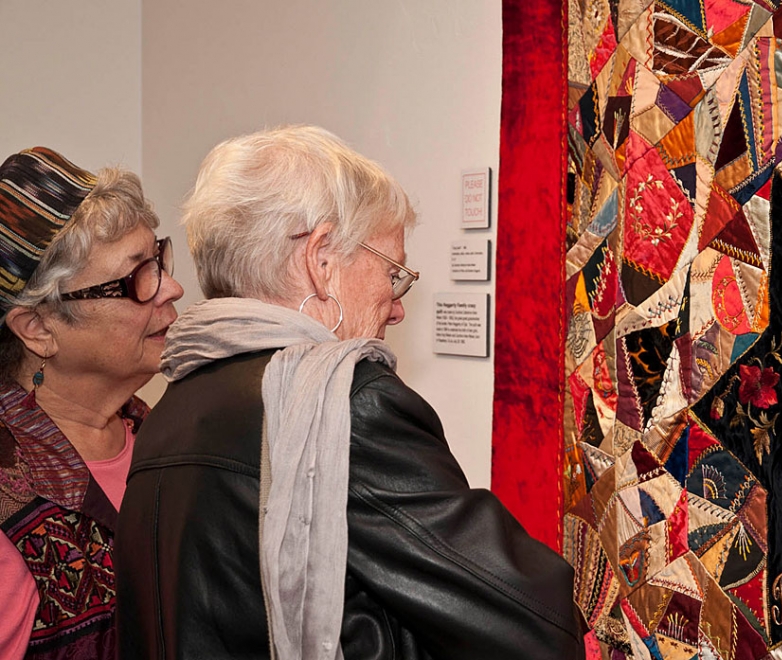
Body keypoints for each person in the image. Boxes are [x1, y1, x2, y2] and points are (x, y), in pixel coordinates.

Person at [114, 125, 584, 660]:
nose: (398, 304)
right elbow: (535, 623)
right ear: (320, 260)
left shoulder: (170, 406)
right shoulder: (349, 405)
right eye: (393, 273)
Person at [0, 147, 183, 659]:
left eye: (158, 258)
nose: (172, 287)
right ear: (38, 329)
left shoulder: (166, 437)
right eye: (135, 278)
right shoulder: (9, 500)